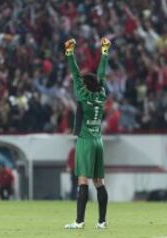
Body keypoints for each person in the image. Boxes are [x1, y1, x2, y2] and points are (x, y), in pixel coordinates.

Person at [64, 37, 110, 229]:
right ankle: (102, 222)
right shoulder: (101, 95)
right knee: (99, 181)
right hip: (98, 141)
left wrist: (69, 54)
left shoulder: (83, 95)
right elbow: (102, 74)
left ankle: (79, 221)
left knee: (82, 180)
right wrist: (104, 52)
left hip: (85, 140)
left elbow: (75, 74)